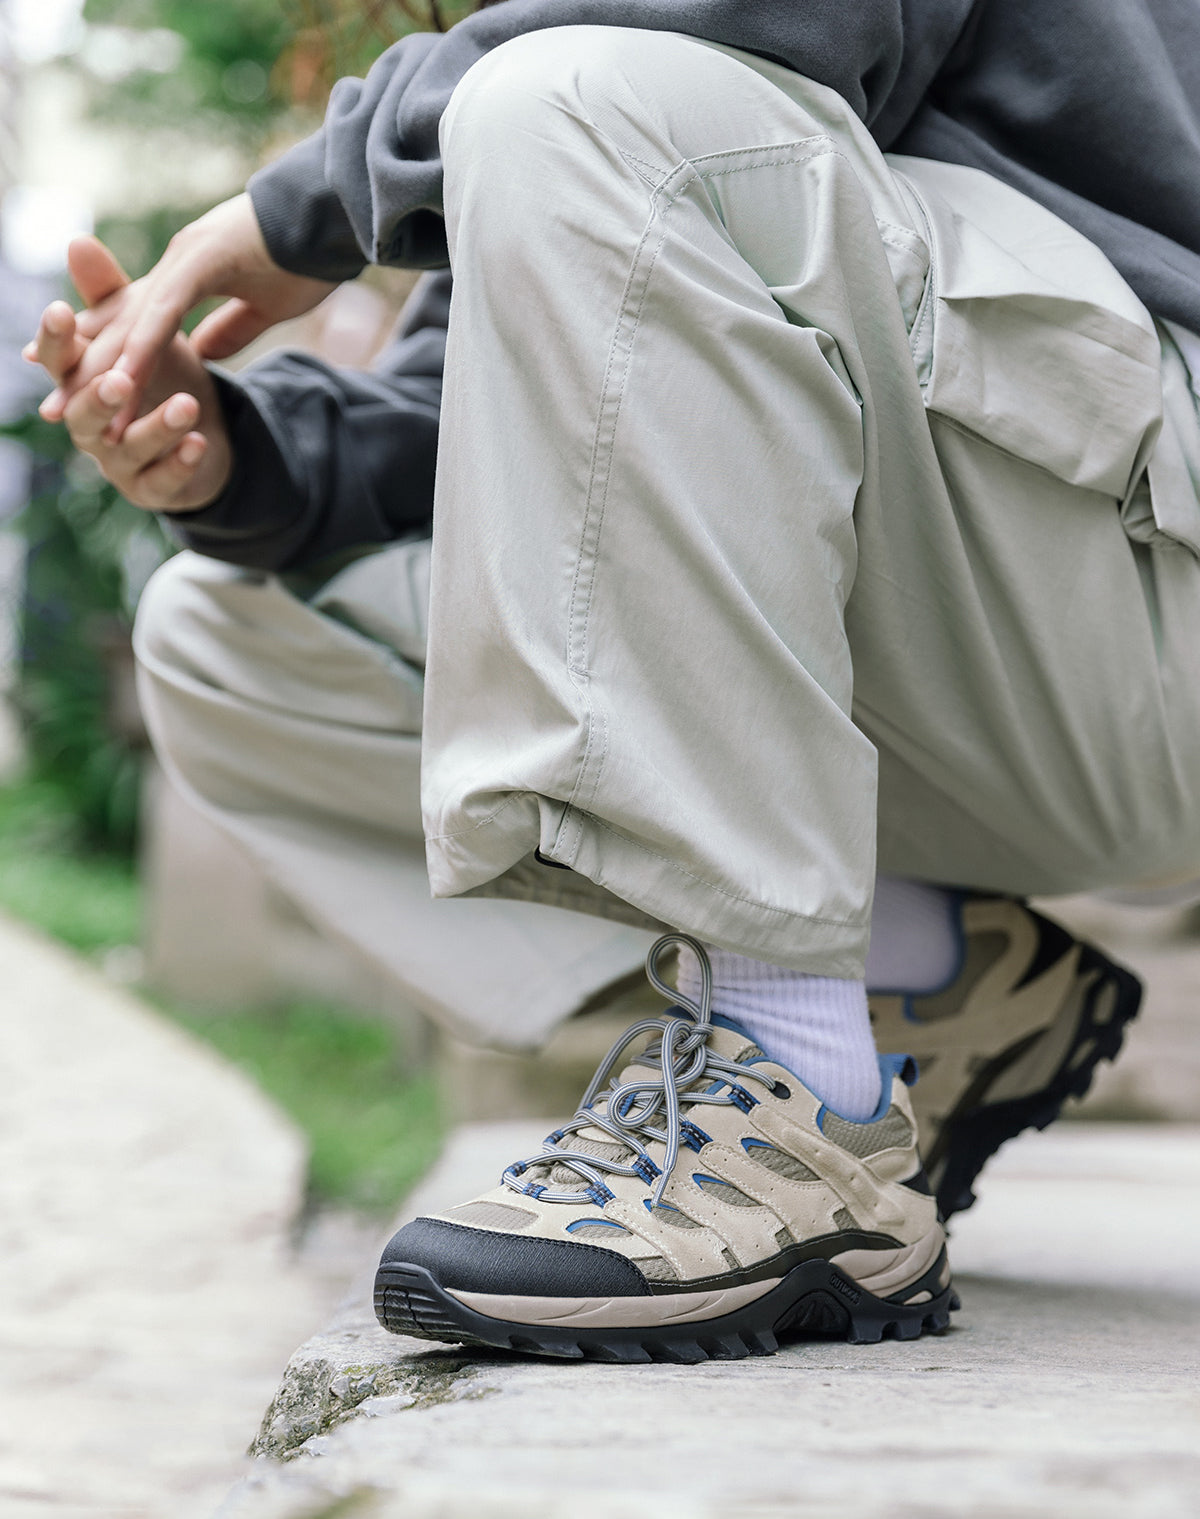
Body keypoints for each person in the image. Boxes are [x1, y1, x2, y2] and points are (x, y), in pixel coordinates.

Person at [29, 0, 1200, 1362]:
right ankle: (916, 988)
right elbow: (553, 440)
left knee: (571, 99)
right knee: (224, 630)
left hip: (1150, 576)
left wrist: (317, 199)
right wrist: (233, 457)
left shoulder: (619, 94)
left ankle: (798, 1102)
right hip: (1022, 645)